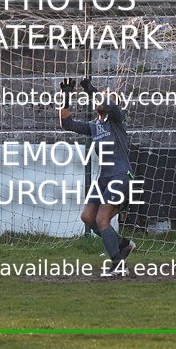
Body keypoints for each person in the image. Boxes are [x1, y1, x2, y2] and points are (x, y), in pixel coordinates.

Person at [59, 77, 136, 267]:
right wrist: (66, 96)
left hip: (120, 175)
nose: (102, 100)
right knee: (87, 217)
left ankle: (118, 264)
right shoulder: (95, 126)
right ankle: (121, 244)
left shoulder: (117, 119)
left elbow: (107, 104)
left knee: (102, 219)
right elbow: (67, 124)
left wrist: (91, 90)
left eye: (106, 98)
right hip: (104, 178)